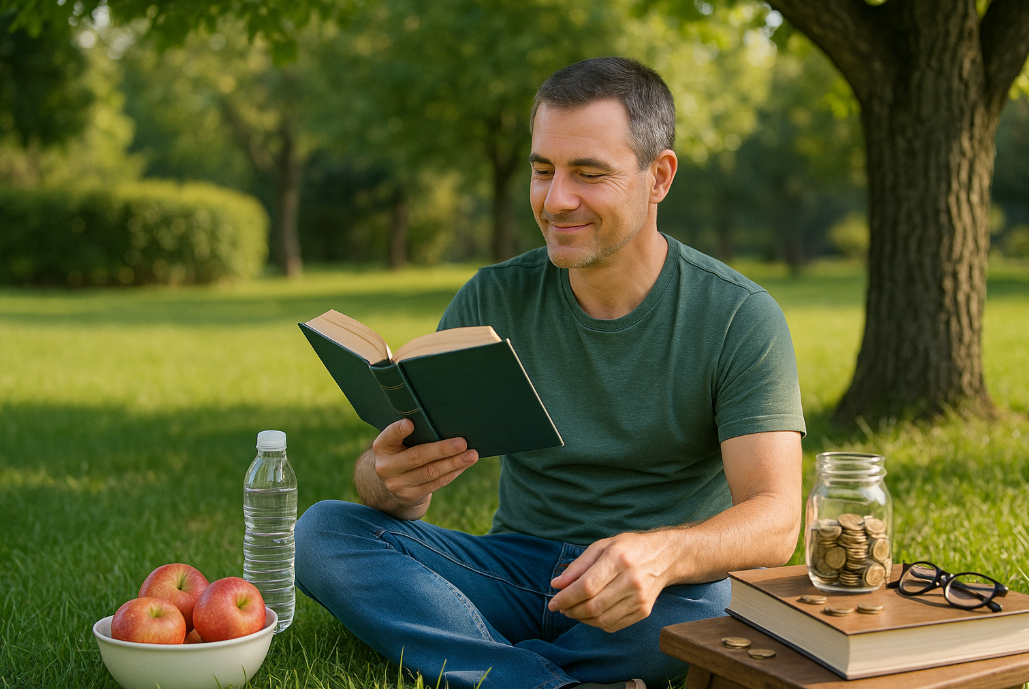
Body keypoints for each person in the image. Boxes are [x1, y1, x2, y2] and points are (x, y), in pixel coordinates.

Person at [295, 57, 806, 689]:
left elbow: (777, 517)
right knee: (323, 532)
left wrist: (664, 553)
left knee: (716, 606)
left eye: (589, 173)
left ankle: (485, 666)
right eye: (543, 171)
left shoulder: (738, 316)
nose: (556, 199)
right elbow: (394, 482)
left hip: (654, 588)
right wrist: (389, 482)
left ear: (659, 177)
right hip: (512, 568)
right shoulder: (493, 298)